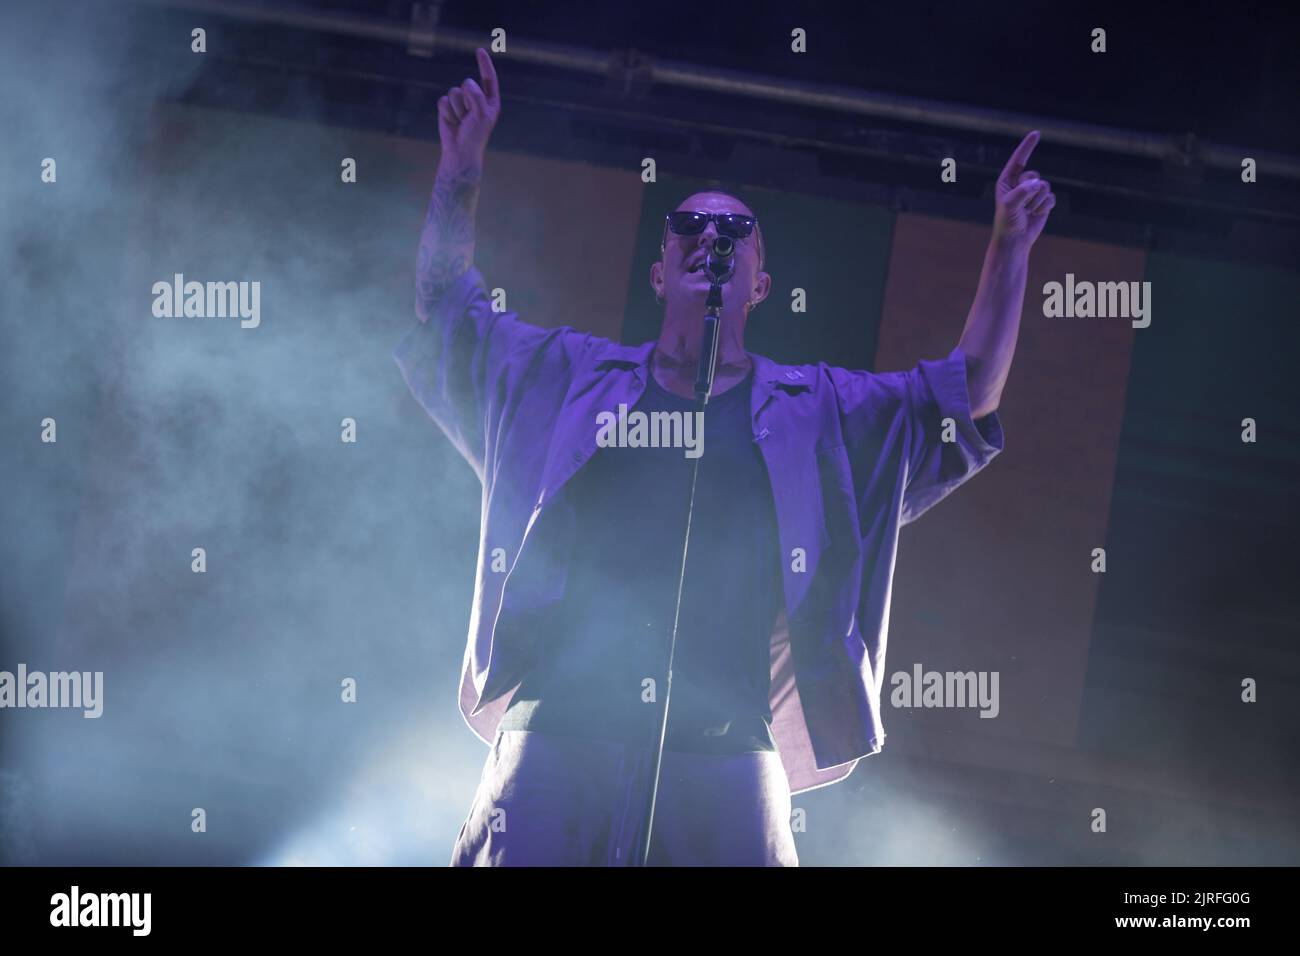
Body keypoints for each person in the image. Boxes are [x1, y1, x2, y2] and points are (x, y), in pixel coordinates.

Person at [397, 49, 1053, 866]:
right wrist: (460, 166)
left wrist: (1010, 245)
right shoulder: (570, 377)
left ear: (759, 284)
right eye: (691, 226)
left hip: (728, 748)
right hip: (562, 726)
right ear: (660, 268)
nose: (714, 235)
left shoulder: (816, 412)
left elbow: (965, 396)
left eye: (736, 229)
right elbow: (447, 309)